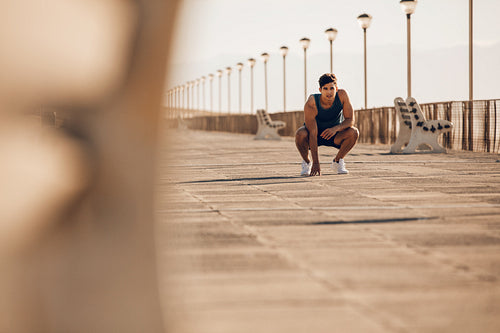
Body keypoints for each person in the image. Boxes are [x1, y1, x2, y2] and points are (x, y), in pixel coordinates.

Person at [295, 73, 359, 176]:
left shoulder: (342, 95)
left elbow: (350, 120)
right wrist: (316, 162)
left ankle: (337, 161)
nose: (329, 92)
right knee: (300, 134)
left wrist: (336, 128)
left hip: (335, 135)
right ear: (320, 90)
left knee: (354, 132)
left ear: (336, 88)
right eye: (325, 89)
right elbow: (312, 133)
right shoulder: (312, 102)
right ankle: (307, 162)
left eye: (331, 88)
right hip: (314, 135)